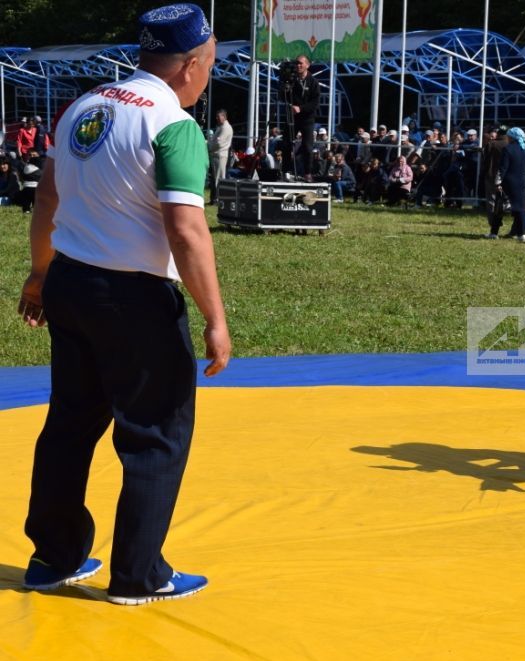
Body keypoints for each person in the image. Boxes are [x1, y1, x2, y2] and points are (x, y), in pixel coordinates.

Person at [17, 3, 231, 606]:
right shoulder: (172, 124)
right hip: (135, 296)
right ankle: (140, 574)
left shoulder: (84, 106)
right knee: (157, 433)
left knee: (69, 424)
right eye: (210, 65)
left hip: (72, 284)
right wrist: (215, 319)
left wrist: (39, 274)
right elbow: (187, 231)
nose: (208, 78)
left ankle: (52, 557)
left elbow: (47, 202)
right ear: (191, 65)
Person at [278, 55, 320, 179]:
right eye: (297, 63)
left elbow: (315, 103)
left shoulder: (313, 82)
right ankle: (286, 171)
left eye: (301, 63)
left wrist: (301, 108)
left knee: (307, 147)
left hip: (307, 119)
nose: (298, 65)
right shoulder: (292, 79)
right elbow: (282, 97)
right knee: (286, 144)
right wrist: (283, 85)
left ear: (307, 65)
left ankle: (308, 173)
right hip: (292, 117)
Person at [497, 127, 525, 242]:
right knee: (521, 208)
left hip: (509, 181)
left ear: (511, 137)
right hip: (522, 181)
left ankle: (494, 231)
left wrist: (498, 181)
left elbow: (503, 168)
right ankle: (521, 233)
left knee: (499, 207)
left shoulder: (507, 149)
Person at [207, 108, 232, 202]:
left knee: (218, 178)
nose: (216, 118)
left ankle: (217, 198)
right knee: (215, 178)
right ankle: (214, 198)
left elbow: (219, 143)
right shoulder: (221, 127)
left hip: (219, 155)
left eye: (218, 116)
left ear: (224, 117)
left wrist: (209, 147)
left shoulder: (226, 128)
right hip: (216, 155)